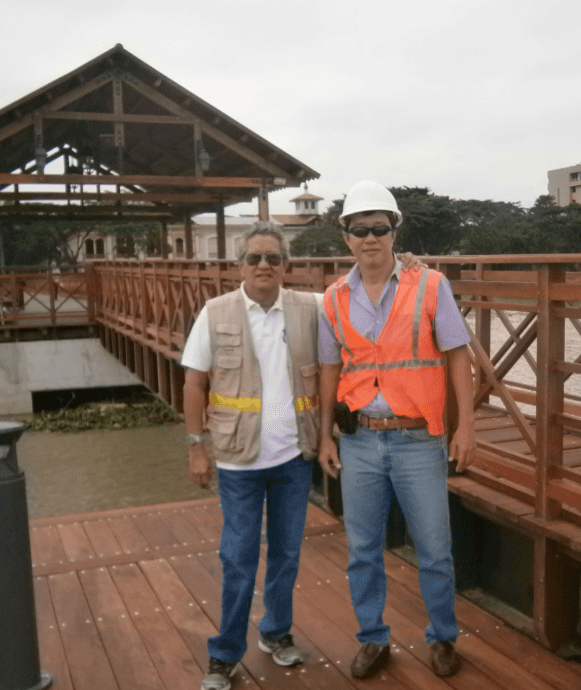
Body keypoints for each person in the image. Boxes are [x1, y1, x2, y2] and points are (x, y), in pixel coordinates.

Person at [317, 180, 476, 679]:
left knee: (434, 548)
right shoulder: (333, 299)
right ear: (346, 236)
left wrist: (465, 426)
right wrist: (324, 434)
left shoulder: (431, 285)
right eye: (359, 229)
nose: (370, 239)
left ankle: (443, 637)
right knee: (363, 550)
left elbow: (457, 357)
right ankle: (372, 638)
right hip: (360, 439)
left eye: (379, 229)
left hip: (418, 438)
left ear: (394, 233)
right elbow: (327, 369)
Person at [182, 222, 321, 690]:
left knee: (285, 553)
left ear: (286, 266)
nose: (264, 265)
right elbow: (194, 383)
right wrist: (195, 448)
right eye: (255, 258)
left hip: (293, 458)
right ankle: (224, 654)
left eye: (273, 258)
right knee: (238, 558)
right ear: (240, 265)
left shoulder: (309, 308)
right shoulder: (214, 312)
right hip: (238, 460)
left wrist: (408, 265)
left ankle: (276, 633)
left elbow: (356, 290)